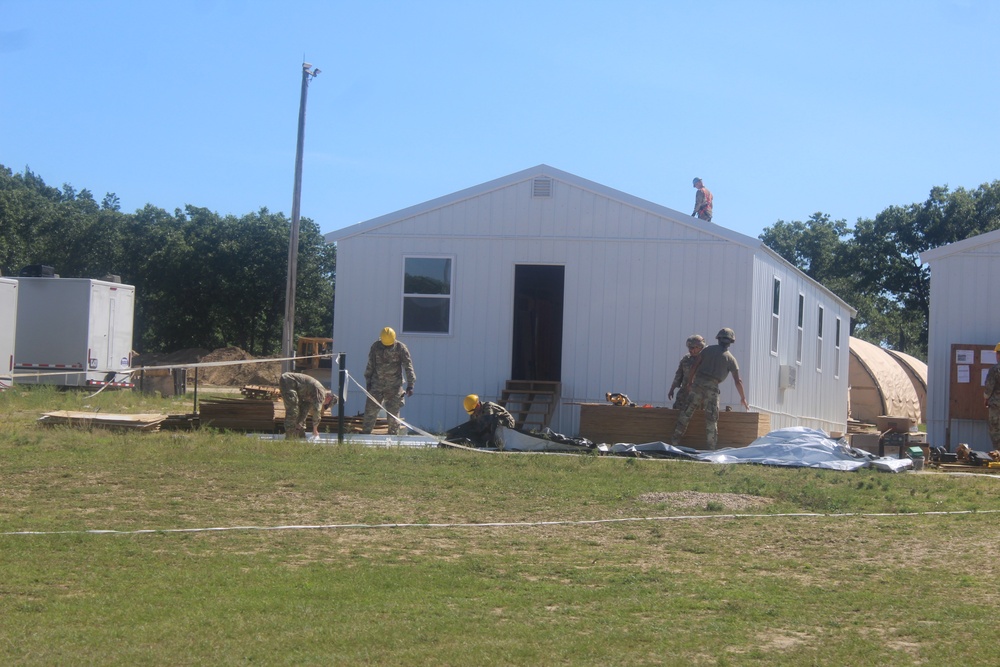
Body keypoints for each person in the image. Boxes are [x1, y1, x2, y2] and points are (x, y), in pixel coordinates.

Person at [669, 327, 749, 449]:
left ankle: (673, 443)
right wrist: (743, 398)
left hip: (697, 386)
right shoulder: (731, 359)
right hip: (712, 389)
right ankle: (711, 449)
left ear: (718, 339)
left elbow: (695, 366)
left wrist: (690, 382)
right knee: (711, 420)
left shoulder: (707, 351)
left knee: (685, 415)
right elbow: (738, 381)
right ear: (731, 342)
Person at [361, 326, 416, 435]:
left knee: (393, 415)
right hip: (377, 385)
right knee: (370, 412)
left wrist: (411, 384)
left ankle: (393, 438)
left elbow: (408, 366)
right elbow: (370, 365)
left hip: (394, 387)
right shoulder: (376, 347)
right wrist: (368, 382)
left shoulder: (401, 348)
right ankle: (365, 436)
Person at [445, 394, 516, 448]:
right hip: (495, 424)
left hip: (506, 422)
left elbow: (489, 423)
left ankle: (496, 443)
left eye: (474, 411)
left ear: (478, 405)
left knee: (495, 425)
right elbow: (473, 426)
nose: (474, 414)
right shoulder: (474, 412)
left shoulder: (488, 407)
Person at [279, 371, 334, 439]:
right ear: (328, 398)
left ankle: (299, 435)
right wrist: (315, 430)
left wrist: (299, 426)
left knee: (299, 411)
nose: (323, 405)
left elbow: (304, 412)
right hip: (289, 381)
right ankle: (290, 436)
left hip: (295, 386)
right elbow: (317, 411)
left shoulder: (312, 396)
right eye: (326, 405)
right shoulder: (321, 394)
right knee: (293, 410)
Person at [668, 334, 707, 410]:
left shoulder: (707, 360)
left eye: (692, 348)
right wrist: (672, 389)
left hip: (700, 394)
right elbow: (679, 374)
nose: (690, 350)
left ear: (700, 347)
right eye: (689, 347)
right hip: (685, 393)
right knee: (677, 410)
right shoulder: (686, 359)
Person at [984, 342, 1000, 448]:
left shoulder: (995, 370)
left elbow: (989, 388)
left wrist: (985, 398)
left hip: (996, 407)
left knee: (996, 433)